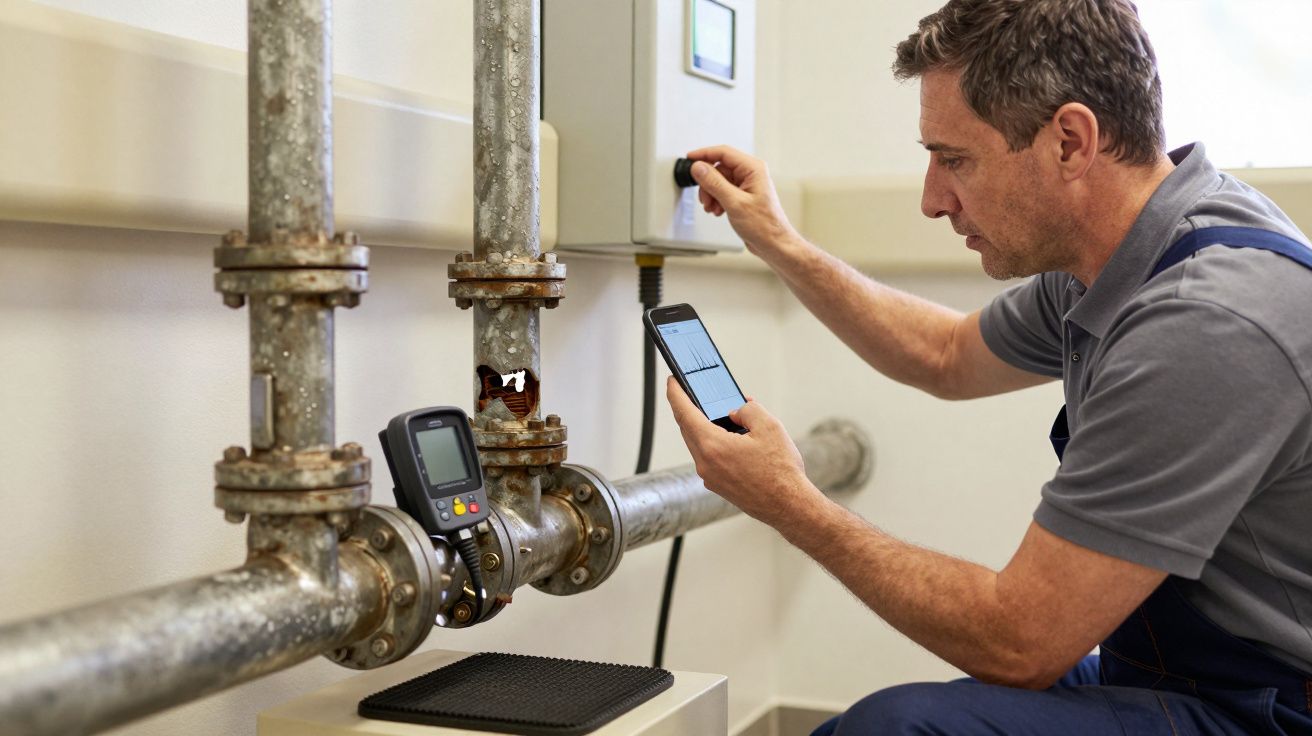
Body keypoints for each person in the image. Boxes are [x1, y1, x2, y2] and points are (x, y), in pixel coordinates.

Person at [665, 0, 1312, 733]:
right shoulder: (1117, 260)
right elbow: (945, 354)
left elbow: (1020, 641)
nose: (931, 200)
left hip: (1273, 710)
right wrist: (779, 242)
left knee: (899, 728)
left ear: (1070, 141)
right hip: (1190, 679)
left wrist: (789, 501)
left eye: (955, 159)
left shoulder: (1206, 320)